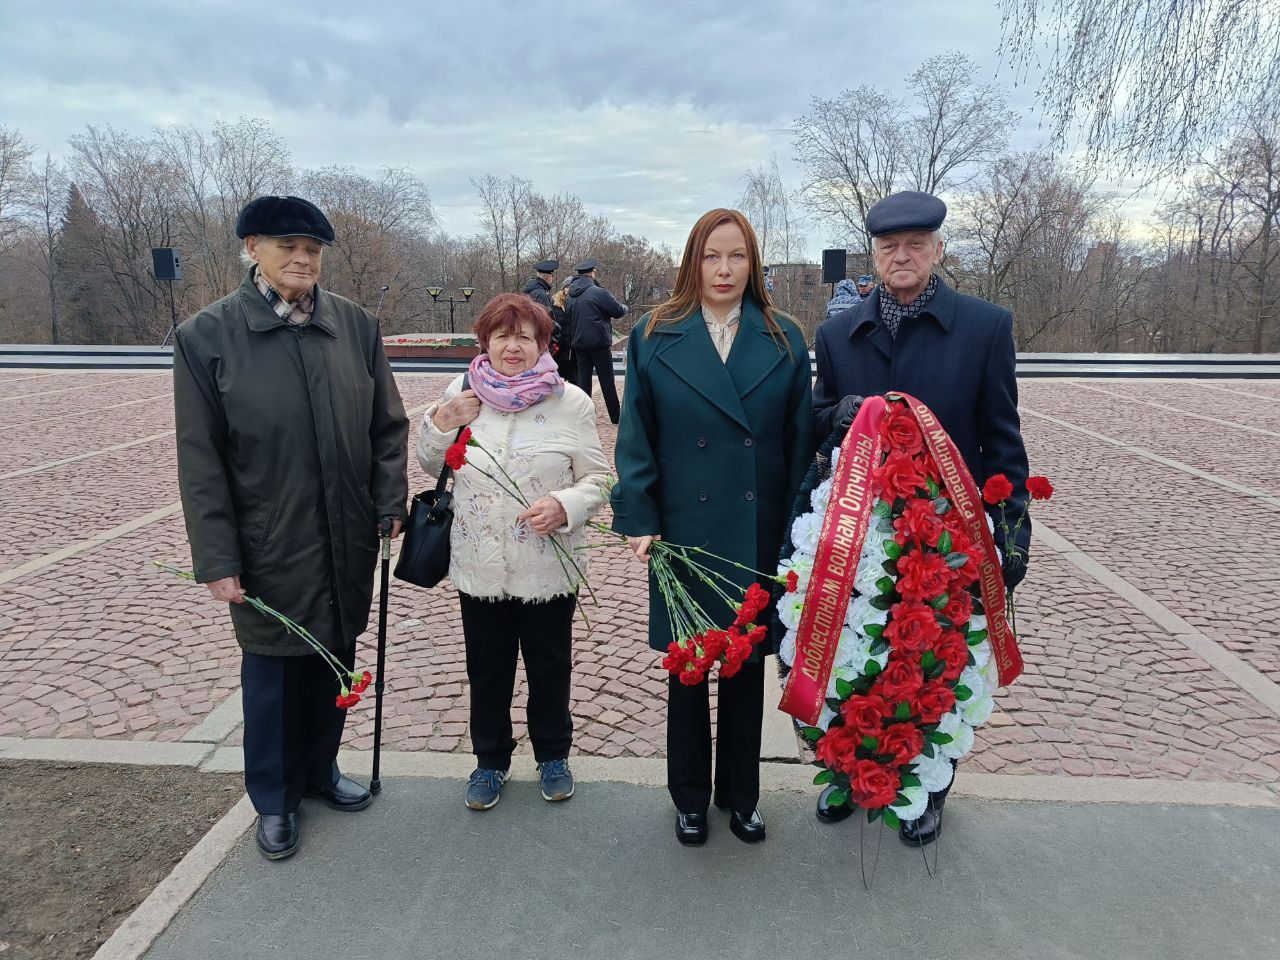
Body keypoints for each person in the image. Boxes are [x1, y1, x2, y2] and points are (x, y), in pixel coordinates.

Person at [173, 195, 409, 861]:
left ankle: (320, 771)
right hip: (268, 539)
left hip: (347, 530)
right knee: (275, 675)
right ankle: (274, 799)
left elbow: (386, 428)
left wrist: (388, 500)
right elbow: (201, 458)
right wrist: (216, 556)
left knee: (333, 658)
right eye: (287, 246)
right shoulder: (206, 337)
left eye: (312, 248)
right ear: (252, 248)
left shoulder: (355, 327)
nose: (303, 258)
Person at [810, 189, 1031, 846]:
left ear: (937, 249)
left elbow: (1003, 439)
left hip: (950, 536)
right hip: (865, 532)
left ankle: (927, 784)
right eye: (888, 248)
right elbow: (816, 421)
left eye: (914, 245)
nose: (901, 257)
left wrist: (1011, 536)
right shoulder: (837, 334)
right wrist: (840, 413)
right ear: (874, 255)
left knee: (935, 667)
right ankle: (855, 773)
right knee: (864, 661)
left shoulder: (985, 327)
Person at [611, 209, 814, 846]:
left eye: (736, 257)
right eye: (710, 256)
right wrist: (639, 517)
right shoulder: (655, 333)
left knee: (746, 669)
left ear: (754, 264)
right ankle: (690, 797)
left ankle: (742, 794)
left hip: (755, 529)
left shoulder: (784, 338)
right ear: (691, 262)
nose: (723, 270)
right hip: (684, 530)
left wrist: (795, 534)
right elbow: (635, 435)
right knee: (690, 669)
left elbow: (797, 443)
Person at [417, 293, 610, 811]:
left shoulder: (570, 401)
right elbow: (425, 462)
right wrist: (440, 424)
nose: (512, 346)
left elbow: (599, 478)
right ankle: (490, 761)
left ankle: (552, 755)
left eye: (525, 336)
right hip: (480, 562)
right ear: (486, 341)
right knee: (487, 666)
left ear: (544, 343)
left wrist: (565, 505)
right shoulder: (461, 392)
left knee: (550, 664)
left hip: (547, 563)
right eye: (502, 336)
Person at [566, 258, 628, 424]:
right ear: (592, 273)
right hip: (598, 343)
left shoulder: (571, 296)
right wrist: (625, 307)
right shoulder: (598, 292)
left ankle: (584, 416)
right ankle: (615, 416)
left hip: (579, 344)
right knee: (607, 380)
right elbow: (617, 311)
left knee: (583, 381)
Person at [550, 276, 575, 380]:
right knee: (559, 375)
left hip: (573, 344)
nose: (569, 289)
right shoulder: (554, 303)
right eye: (567, 286)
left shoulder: (577, 302)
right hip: (559, 345)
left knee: (574, 376)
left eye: (572, 287)